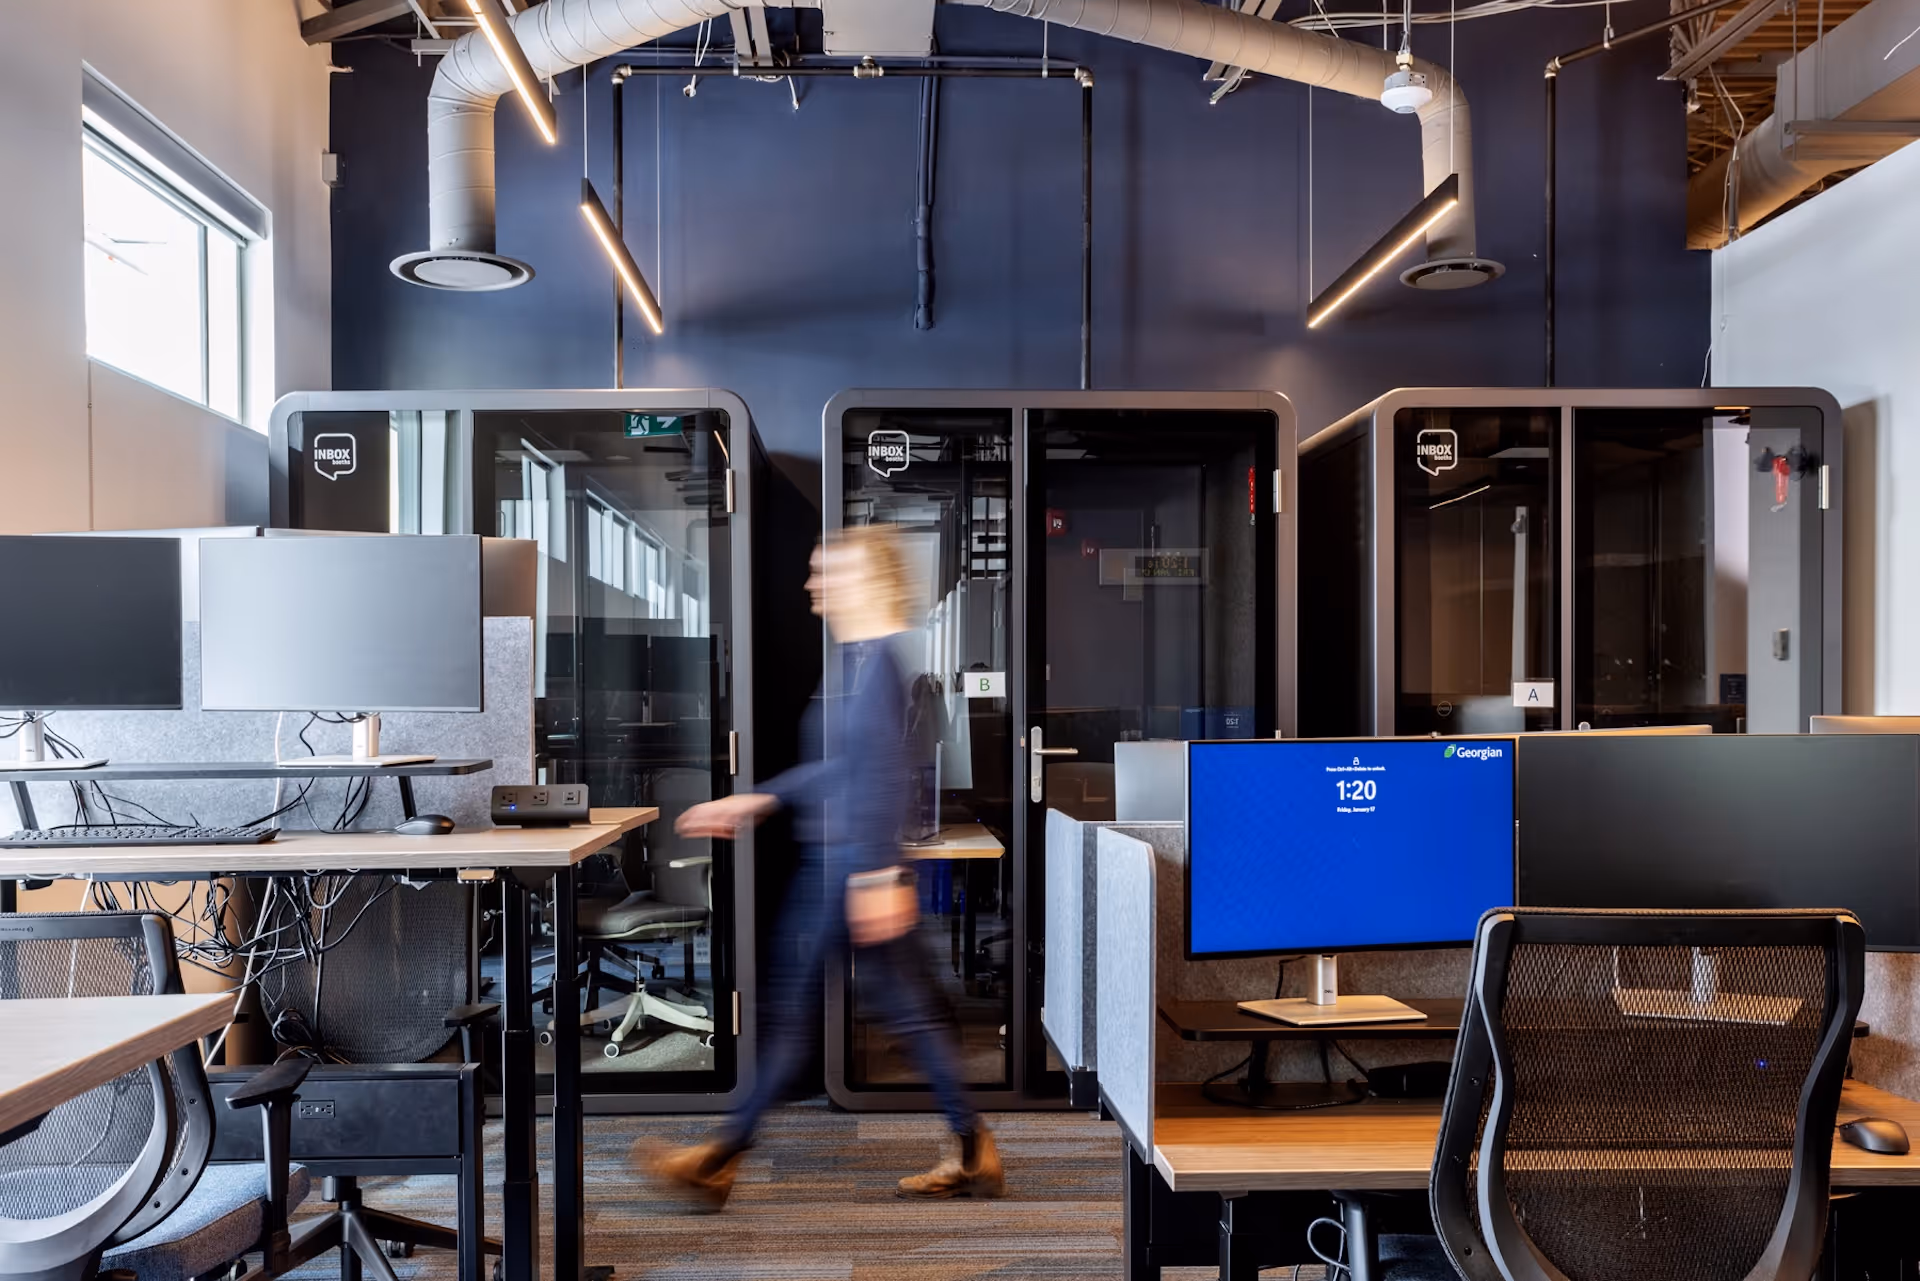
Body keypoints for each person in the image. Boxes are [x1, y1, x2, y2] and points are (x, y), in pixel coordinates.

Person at [641, 525, 1003, 1211]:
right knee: (896, 1012)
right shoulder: (856, 658)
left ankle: (720, 1156)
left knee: (798, 1015)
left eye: (826, 572)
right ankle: (970, 1146)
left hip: (849, 867)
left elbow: (887, 773)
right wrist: (763, 797)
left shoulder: (884, 662)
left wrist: (873, 875)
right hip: (838, 862)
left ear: (864, 579)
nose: (813, 584)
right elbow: (841, 765)